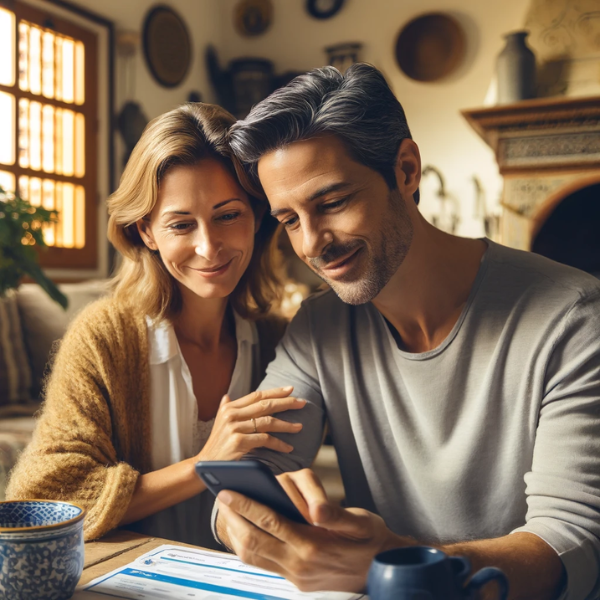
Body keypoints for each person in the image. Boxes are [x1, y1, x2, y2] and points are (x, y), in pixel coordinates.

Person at [214, 64, 600, 599]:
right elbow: (253, 469)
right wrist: (243, 517)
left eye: (331, 203)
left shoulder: (573, 316)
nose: (312, 244)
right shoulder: (318, 327)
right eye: (289, 220)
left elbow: (572, 544)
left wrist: (398, 564)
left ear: (407, 169)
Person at [6, 103, 307, 548]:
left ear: (258, 216)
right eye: (181, 224)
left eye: (228, 215)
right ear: (146, 231)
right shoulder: (104, 338)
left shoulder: (275, 340)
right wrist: (206, 462)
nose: (209, 248)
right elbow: (41, 501)